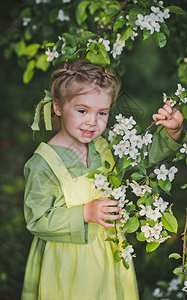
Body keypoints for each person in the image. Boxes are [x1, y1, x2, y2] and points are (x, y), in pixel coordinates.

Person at [21, 59, 186, 300]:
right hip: (68, 263)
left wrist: (173, 131)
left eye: (102, 113)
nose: (92, 121)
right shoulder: (43, 164)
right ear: (58, 106)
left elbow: (141, 157)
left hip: (107, 252)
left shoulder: (103, 147)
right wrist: (85, 213)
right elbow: (37, 219)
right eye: (82, 110)